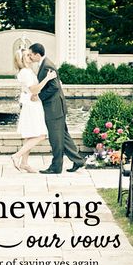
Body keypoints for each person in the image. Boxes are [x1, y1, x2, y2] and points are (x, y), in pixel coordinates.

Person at [29, 43, 84, 174]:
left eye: (31, 55)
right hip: (56, 106)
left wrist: (39, 96)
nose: (30, 57)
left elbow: (54, 87)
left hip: (54, 108)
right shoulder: (44, 63)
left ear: (37, 54)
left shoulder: (47, 65)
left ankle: (56, 167)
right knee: (63, 136)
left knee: (55, 138)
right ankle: (78, 161)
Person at [11, 49, 57, 172]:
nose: (30, 56)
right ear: (22, 59)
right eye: (27, 55)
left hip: (32, 104)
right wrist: (48, 78)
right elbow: (34, 90)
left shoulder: (27, 71)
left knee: (30, 134)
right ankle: (17, 156)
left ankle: (24, 163)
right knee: (41, 135)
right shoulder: (25, 72)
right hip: (32, 106)